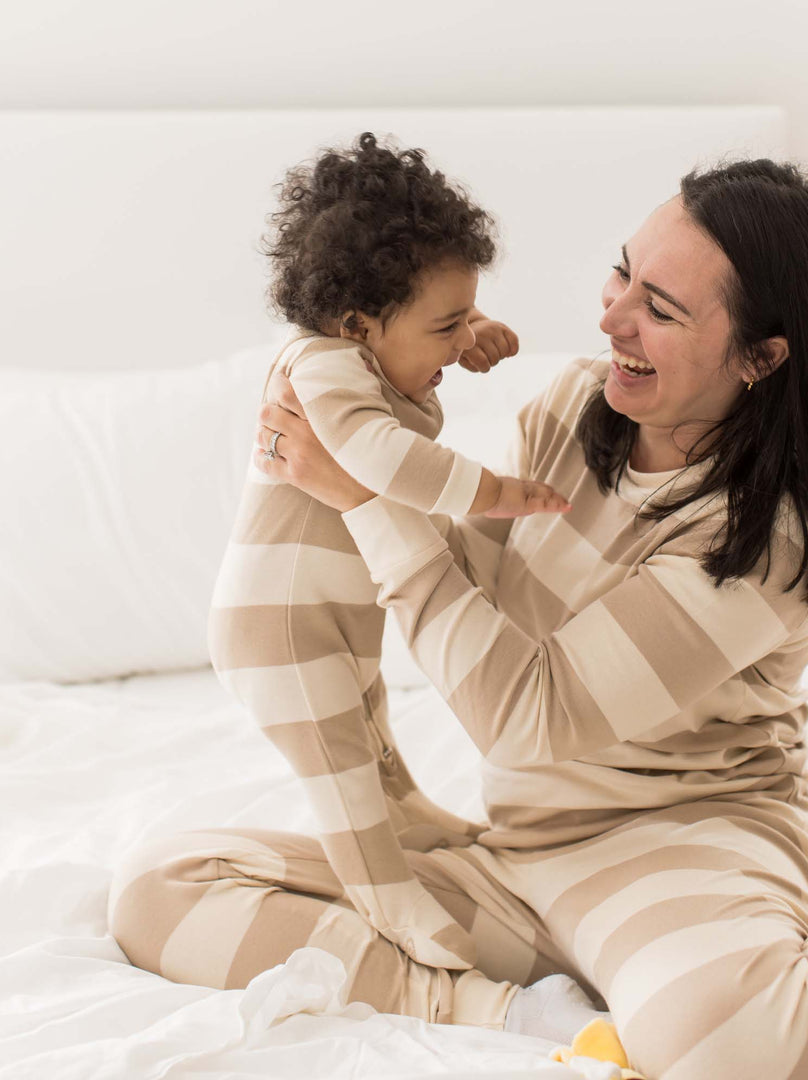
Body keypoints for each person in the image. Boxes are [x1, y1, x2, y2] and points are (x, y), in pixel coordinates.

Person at [109, 158, 808, 1080]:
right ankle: (503, 1008)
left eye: (661, 310)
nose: (610, 316)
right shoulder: (573, 407)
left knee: (730, 1048)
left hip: (682, 844)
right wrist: (343, 456)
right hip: (518, 856)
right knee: (162, 890)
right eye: (622, 272)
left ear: (763, 356)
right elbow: (475, 579)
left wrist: (366, 500)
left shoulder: (767, 533)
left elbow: (526, 715)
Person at [206, 133, 571, 974]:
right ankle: (383, 893)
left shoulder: (367, 357)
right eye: (447, 324)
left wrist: (465, 334)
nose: (459, 341)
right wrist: (498, 492)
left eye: (465, 315)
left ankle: (405, 809)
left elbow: (405, 380)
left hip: (327, 616)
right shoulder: (320, 364)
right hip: (278, 630)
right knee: (338, 763)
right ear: (358, 324)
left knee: (373, 732)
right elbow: (378, 459)